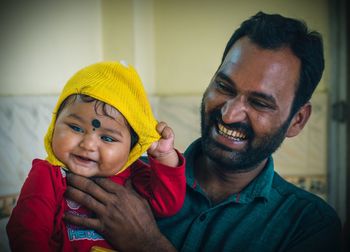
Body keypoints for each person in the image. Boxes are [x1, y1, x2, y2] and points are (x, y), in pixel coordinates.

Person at [63, 12, 342, 252]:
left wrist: (147, 244)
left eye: (259, 103)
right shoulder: (123, 176)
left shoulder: (310, 225)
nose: (229, 113)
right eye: (224, 87)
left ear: (297, 120)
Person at [6, 61, 186, 251]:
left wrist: (164, 156)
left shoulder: (132, 173)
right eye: (75, 128)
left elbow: (167, 204)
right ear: (54, 124)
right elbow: (27, 231)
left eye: (107, 138)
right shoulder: (47, 175)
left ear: (130, 149)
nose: (88, 144)